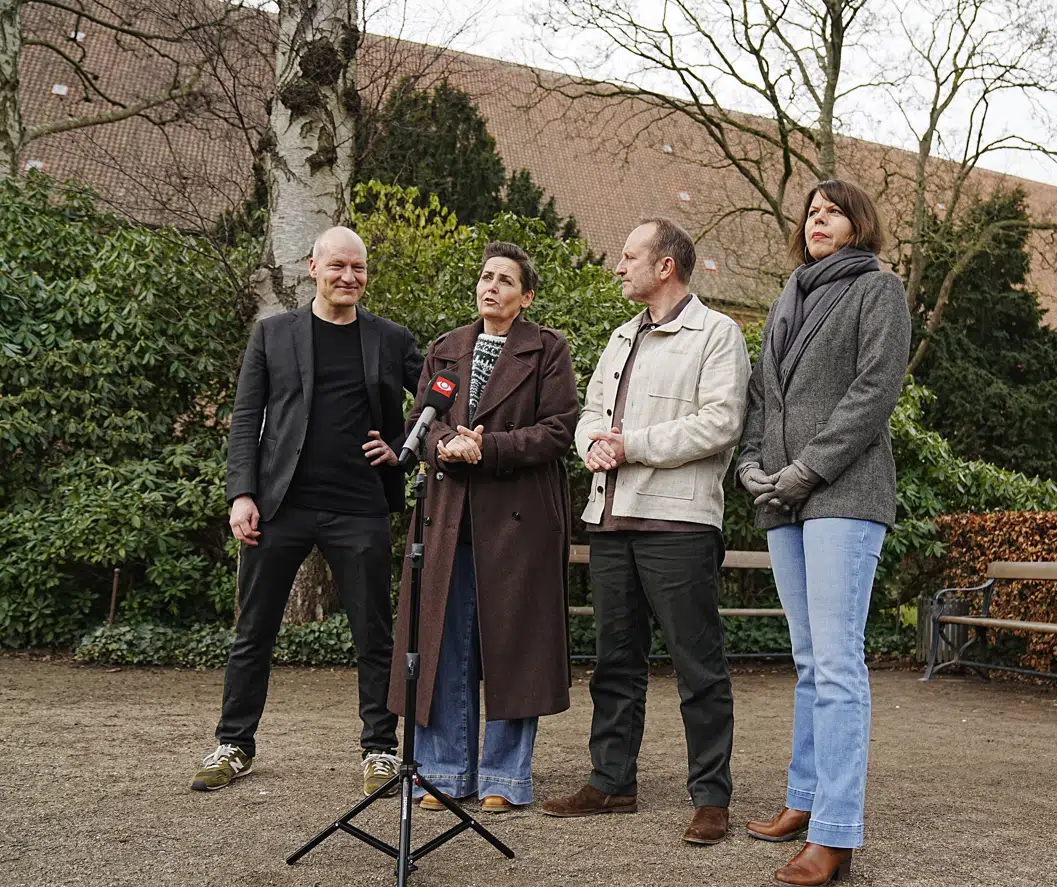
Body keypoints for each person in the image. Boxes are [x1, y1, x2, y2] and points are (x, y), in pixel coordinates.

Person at [192, 226, 424, 795]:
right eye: (339, 266)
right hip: (279, 506)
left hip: (360, 507)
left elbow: (439, 398)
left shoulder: (390, 339)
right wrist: (240, 494)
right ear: (313, 267)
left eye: (360, 268)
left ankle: (378, 751)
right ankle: (234, 744)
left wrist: (406, 450)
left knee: (374, 634)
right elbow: (246, 418)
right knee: (254, 630)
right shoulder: (272, 335)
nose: (350, 277)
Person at [542, 218, 750, 845]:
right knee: (614, 662)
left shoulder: (718, 334)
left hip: (679, 525)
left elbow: (720, 424)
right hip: (609, 520)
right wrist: (593, 449)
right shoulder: (619, 336)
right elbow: (590, 417)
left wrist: (632, 445)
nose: (618, 265)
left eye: (629, 255)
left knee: (698, 665)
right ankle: (611, 782)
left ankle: (711, 797)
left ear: (666, 265)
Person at [736, 179, 909, 887]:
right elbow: (760, 395)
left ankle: (834, 832)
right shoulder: (788, 295)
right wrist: (751, 461)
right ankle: (803, 797)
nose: (818, 220)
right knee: (809, 661)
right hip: (782, 497)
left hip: (844, 489)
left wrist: (808, 466)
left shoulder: (879, 290)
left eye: (832, 211)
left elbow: (874, 392)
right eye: (811, 212)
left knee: (837, 663)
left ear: (858, 223)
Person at [387, 242, 579, 812]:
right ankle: (445, 773)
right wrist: (447, 443)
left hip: (518, 520)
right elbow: (420, 424)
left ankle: (505, 778)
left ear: (526, 296)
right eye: (485, 276)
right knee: (442, 645)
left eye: (504, 280)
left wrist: (488, 447)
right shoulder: (446, 348)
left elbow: (559, 429)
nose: (490, 285)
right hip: (448, 518)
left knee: (513, 647)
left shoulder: (548, 349)